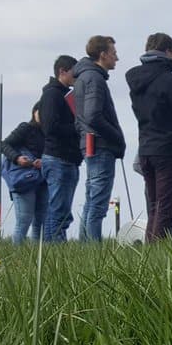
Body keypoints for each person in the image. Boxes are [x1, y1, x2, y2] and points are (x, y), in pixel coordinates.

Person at [126, 32, 172, 242]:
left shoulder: (135, 81)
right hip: (168, 150)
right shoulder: (171, 81)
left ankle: (150, 250)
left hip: (145, 147)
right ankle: (158, 253)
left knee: (153, 205)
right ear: (167, 51)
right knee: (166, 207)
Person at [73, 35, 125, 242]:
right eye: (113, 53)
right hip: (101, 145)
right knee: (98, 204)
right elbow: (93, 115)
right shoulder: (94, 78)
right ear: (102, 55)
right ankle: (94, 250)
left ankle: (86, 249)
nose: (117, 58)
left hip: (91, 144)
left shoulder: (84, 77)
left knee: (91, 200)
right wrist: (116, 137)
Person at [38, 54, 79, 242]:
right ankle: (53, 247)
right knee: (58, 209)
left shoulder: (63, 94)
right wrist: (77, 127)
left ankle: (53, 246)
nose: (76, 77)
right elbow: (50, 126)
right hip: (58, 158)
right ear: (62, 71)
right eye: (74, 73)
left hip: (67, 158)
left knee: (61, 209)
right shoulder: (52, 95)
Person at [0, 104, 48, 245]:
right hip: (24, 181)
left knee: (41, 219)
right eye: (42, 111)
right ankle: (16, 256)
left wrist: (44, 161)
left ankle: (37, 256)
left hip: (43, 179)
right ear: (34, 112)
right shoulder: (25, 128)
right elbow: (4, 145)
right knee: (24, 219)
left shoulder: (50, 133)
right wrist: (17, 158)